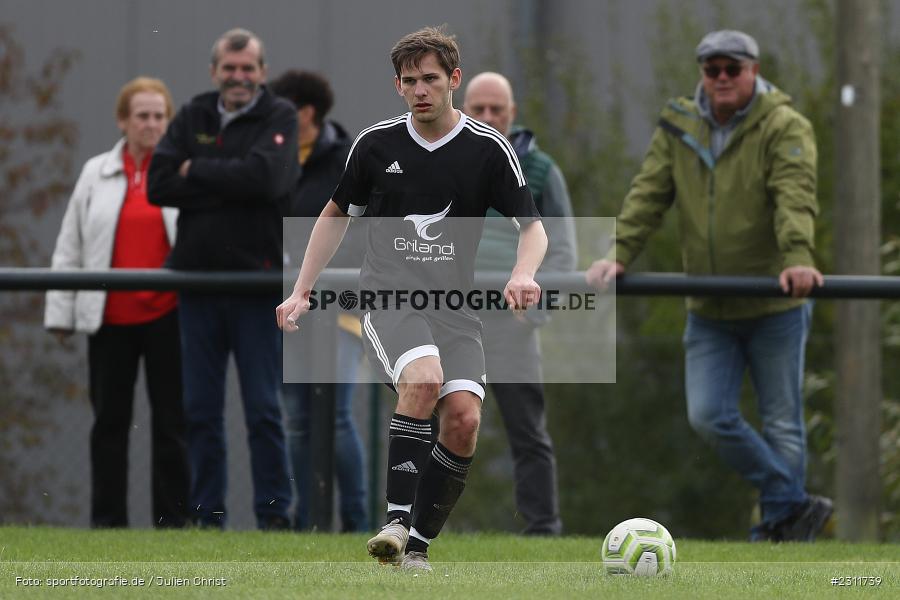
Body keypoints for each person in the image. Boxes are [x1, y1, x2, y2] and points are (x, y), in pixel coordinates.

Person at [277, 26, 548, 570]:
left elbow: (533, 227)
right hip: (388, 298)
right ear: (397, 86)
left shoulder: (487, 148)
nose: (420, 89)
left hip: (457, 310)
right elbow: (333, 217)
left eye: (430, 79)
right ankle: (395, 521)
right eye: (409, 81)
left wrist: (523, 274)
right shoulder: (375, 145)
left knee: (465, 421)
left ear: (453, 80)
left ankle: (415, 548)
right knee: (422, 379)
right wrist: (302, 289)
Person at [585, 30, 832, 542]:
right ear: (702, 73)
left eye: (732, 69)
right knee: (708, 415)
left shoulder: (785, 126)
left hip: (774, 304)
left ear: (753, 72)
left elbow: (795, 198)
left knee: (783, 423)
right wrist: (617, 254)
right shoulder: (678, 124)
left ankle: (783, 531)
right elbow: (648, 194)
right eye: (711, 69)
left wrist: (798, 259)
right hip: (710, 308)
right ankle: (793, 504)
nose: (721, 78)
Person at [148, 28, 297, 530]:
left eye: (247, 68)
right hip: (198, 287)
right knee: (200, 412)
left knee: (263, 410)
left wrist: (197, 170)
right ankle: (206, 518)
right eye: (229, 68)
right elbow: (159, 184)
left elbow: (271, 180)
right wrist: (234, 179)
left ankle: (275, 518)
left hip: (257, 289)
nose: (238, 77)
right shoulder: (191, 114)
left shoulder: (279, 116)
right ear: (214, 71)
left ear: (262, 72)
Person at [45, 77, 189, 528]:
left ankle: (172, 523)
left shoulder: (184, 170)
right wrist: (61, 312)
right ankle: (108, 522)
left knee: (171, 424)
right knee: (108, 424)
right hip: (108, 318)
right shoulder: (95, 172)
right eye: (141, 116)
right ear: (122, 121)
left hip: (169, 316)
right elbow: (70, 244)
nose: (151, 125)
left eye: (159, 116)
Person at [463, 71, 576, 536]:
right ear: (464, 110)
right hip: (448, 315)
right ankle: (408, 523)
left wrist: (534, 309)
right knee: (422, 421)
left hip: (512, 320)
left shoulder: (542, 170)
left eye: (497, 110)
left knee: (527, 430)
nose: (488, 118)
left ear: (512, 115)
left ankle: (543, 529)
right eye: (479, 109)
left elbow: (564, 251)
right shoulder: (441, 160)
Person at [269, 69, 368, 532]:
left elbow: (356, 230)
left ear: (305, 111)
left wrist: (317, 279)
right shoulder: (273, 156)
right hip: (290, 308)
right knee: (297, 420)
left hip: (339, 307)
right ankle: (307, 520)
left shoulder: (345, 158)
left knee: (339, 417)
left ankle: (357, 519)